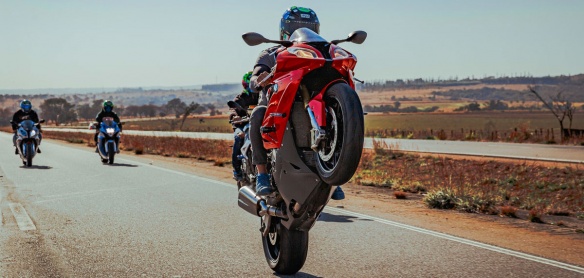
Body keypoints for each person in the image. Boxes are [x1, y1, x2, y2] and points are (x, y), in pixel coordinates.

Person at [248, 6, 345, 200]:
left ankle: (334, 174)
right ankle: (262, 174)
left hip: (308, 102)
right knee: (258, 114)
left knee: (342, 116)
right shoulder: (271, 53)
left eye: (307, 26)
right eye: (295, 27)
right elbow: (256, 76)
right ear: (284, 31)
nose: (299, 30)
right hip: (274, 105)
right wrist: (259, 80)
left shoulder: (319, 52)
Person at [229, 71, 258, 181]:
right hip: (242, 125)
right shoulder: (241, 98)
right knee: (239, 137)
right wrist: (235, 117)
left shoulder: (263, 96)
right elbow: (233, 110)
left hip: (258, 124)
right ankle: (237, 170)